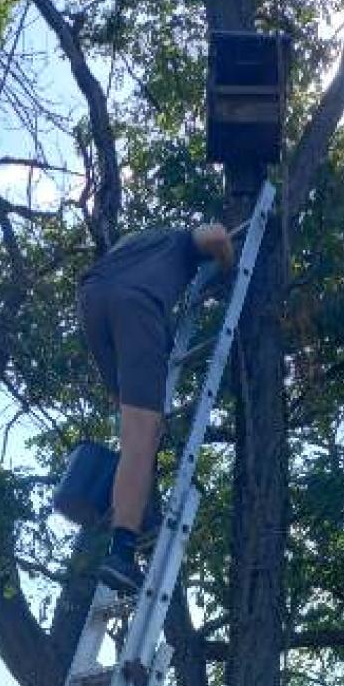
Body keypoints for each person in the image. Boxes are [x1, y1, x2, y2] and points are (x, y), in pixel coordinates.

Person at [78, 221, 236, 593]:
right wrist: (226, 270)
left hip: (91, 299)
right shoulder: (177, 240)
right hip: (138, 305)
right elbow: (215, 235)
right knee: (140, 440)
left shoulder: (131, 246)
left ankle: (132, 513)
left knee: (135, 428)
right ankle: (122, 552)